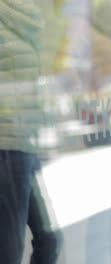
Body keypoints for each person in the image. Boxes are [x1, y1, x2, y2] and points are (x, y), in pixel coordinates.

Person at [0, 1, 63, 263]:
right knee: (11, 250)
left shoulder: (28, 18)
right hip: (8, 144)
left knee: (49, 238)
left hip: (23, 144)